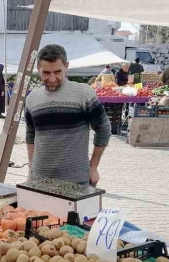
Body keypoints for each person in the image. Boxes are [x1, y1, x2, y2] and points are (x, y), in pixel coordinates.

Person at [25, 44, 111, 186]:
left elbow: (104, 129)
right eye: (46, 73)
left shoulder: (84, 94)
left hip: (76, 181)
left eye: (57, 72)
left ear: (66, 66)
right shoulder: (32, 99)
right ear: (38, 69)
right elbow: (30, 134)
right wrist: (31, 166)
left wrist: (93, 166)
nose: (52, 78)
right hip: (40, 180)